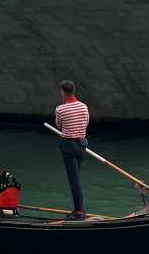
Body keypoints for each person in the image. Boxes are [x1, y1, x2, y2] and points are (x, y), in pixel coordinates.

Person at [55, 79, 89, 220]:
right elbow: (86, 122)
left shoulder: (60, 109)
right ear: (73, 91)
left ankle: (79, 211)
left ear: (63, 92)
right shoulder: (84, 107)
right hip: (81, 145)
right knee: (76, 178)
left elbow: (59, 126)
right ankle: (79, 207)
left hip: (68, 145)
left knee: (73, 179)